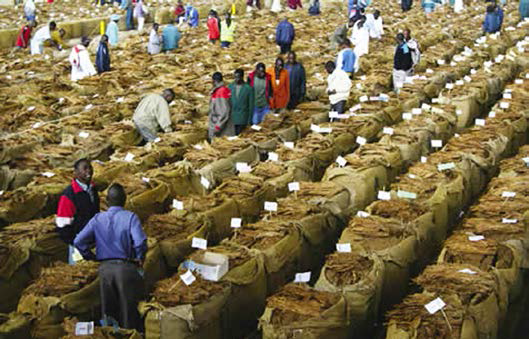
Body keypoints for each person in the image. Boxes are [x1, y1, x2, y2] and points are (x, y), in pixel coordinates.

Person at [73, 183, 147, 331]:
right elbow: (140, 241)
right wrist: (140, 257)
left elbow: (78, 241)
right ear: (125, 200)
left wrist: (90, 256)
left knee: (109, 312)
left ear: (106, 201)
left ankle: (113, 334)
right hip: (126, 269)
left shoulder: (97, 219)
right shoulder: (130, 217)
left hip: (105, 270)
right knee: (128, 312)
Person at [56, 158, 100, 262]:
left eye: (90, 167)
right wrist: (75, 242)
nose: (88, 171)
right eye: (84, 168)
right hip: (77, 244)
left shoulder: (92, 189)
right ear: (75, 173)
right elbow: (62, 225)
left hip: (93, 240)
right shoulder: (69, 195)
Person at [209, 72, 234, 140]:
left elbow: (223, 112)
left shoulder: (220, 92)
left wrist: (217, 127)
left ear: (214, 81)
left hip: (222, 129)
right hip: (221, 125)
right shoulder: (222, 90)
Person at [228, 69, 254, 135]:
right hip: (232, 118)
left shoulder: (248, 89)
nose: (236, 79)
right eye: (235, 77)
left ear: (242, 77)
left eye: (238, 77)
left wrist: (249, 121)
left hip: (243, 119)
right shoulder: (230, 87)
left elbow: (251, 106)